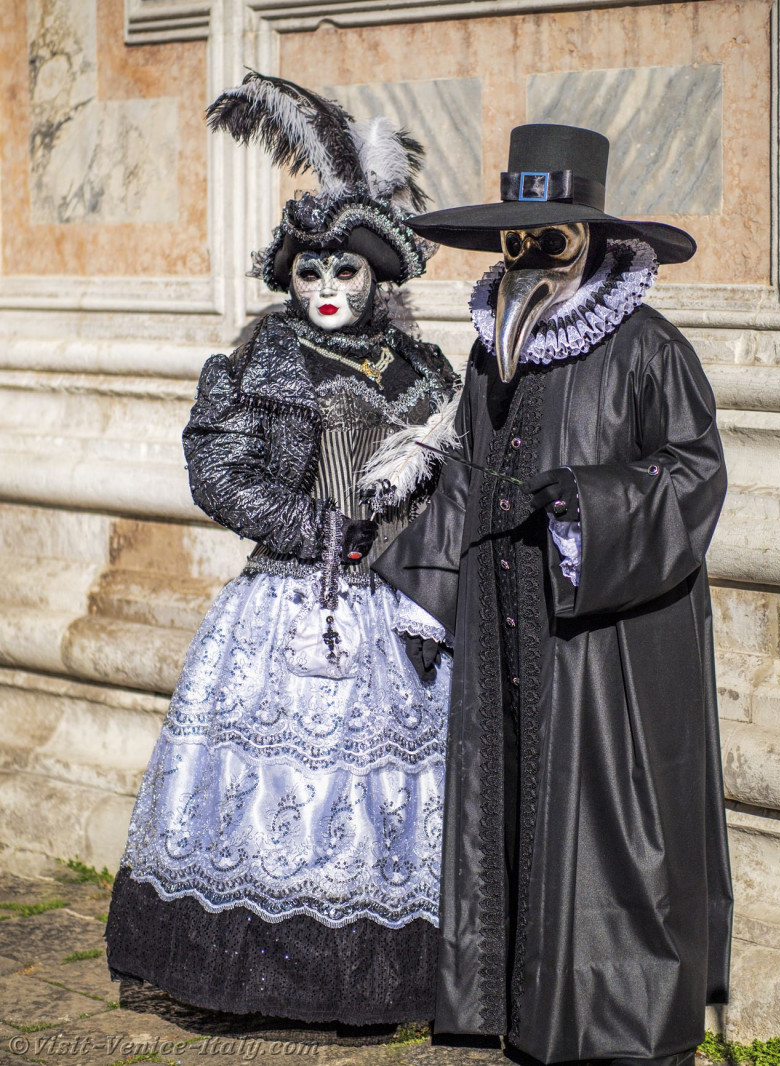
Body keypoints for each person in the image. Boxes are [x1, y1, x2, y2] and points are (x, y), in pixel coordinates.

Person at [105, 74, 460, 1031]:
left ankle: (376, 978)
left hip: (400, 606)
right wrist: (313, 527)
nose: (328, 290)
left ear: (378, 277)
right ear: (289, 279)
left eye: (346, 272)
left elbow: (455, 475)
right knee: (278, 789)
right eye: (311, 273)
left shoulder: (427, 372)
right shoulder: (256, 362)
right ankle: (262, 978)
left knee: (383, 788)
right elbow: (216, 469)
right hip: (287, 603)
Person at [374, 123, 733, 1065]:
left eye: (552, 236)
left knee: (606, 819)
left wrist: (583, 506)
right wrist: (427, 588)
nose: (530, 255)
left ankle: (608, 1015)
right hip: (502, 623)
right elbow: (462, 471)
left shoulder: (650, 347)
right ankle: (505, 1000)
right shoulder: (499, 343)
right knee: (507, 799)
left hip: (601, 637)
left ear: (594, 236)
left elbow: (695, 476)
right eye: (515, 237)